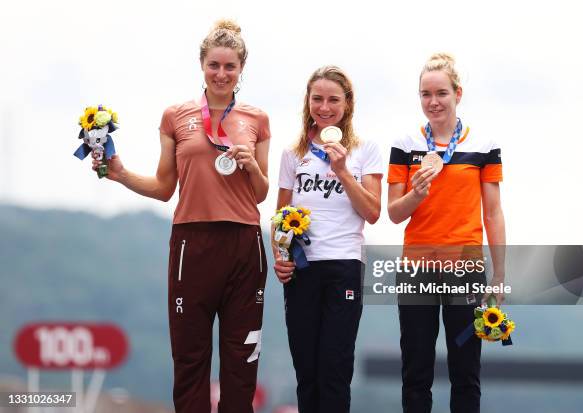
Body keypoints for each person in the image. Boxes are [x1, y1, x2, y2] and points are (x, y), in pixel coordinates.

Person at [92, 20, 271, 413]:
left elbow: (260, 192)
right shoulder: (176, 115)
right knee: (190, 357)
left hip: (244, 242)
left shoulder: (257, 119)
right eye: (214, 65)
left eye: (230, 67)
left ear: (242, 69)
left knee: (242, 360)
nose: (221, 74)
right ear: (202, 65)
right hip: (193, 242)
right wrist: (120, 174)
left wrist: (251, 168)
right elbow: (163, 187)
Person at [387, 53, 506, 413]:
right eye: (425, 94)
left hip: (465, 271)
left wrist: (499, 276)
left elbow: (494, 212)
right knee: (416, 373)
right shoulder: (406, 143)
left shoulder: (484, 144)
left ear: (458, 93)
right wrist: (417, 193)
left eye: (441, 93)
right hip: (416, 269)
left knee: (465, 372)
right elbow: (393, 213)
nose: (433, 102)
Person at [272, 65, 384, 413]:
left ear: (347, 104)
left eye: (333, 100)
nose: (324, 107)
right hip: (302, 270)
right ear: (307, 102)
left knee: (334, 369)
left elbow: (373, 211)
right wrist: (280, 257)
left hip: (344, 266)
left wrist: (342, 172)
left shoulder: (365, 151)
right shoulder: (293, 154)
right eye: (317, 99)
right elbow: (280, 216)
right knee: (306, 371)